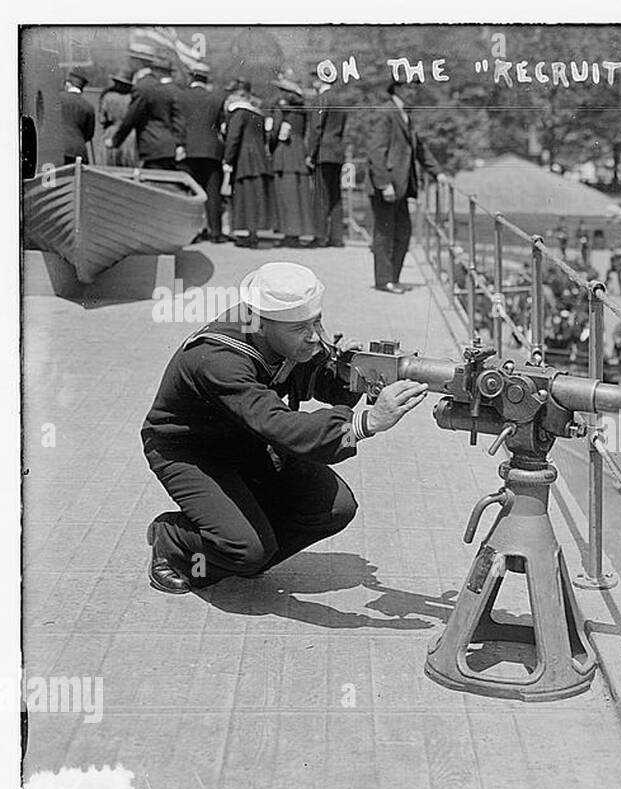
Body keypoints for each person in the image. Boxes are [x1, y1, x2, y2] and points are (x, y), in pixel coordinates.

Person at [141, 262, 429, 594]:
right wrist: (367, 423)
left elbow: (313, 382)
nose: (314, 336)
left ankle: (240, 547)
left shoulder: (279, 335)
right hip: (189, 452)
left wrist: (348, 373)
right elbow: (280, 424)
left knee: (334, 508)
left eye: (316, 321)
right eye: (300, 328)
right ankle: (174, 543)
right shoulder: (218, 359)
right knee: (245, 551)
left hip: (246, 440)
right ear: (261, 324)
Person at [367, 78, 434, 293]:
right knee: (385, 233)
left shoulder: (405, 114)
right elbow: (376, 151)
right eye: (409, 87)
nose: (413, 92)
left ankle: (392, 278)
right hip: (387, 185)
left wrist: (438, 173)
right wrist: (384, 183)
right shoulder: (385, 113)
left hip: (401, 187)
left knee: (403, 232)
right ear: (397, 88)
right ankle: (384, 280)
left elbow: (419, 149)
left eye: (415, 88)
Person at [106, 55, 185, 170]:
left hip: (152, 147)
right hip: (169, 148)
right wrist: (179, 144)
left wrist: (115, 140)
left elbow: (131, 117)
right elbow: (178, 120)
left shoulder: (143, 88)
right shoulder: (169, 91)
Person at [176, 64, 226, 242]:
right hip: (211, 150)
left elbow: (178, 123)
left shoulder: (181, 96)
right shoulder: (216, 98)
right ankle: (216, 232)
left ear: (191, 77)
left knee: (192, 192)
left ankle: (194, 232)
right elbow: (221, 125)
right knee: (213, 192)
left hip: (188, 150)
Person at [221, 81, 274, 247]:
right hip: (259, 160)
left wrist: (228, 159)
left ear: (241, 94)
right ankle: (253, 234)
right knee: (255, 198)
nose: (229, 97)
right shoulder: (257, 114)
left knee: (247, 198)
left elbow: (233, 138)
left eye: (232, 93)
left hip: (244, 161)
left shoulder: (239, 113)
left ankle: (250, 236)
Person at [269, 75, 314, 246]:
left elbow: (274, 131)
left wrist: (271, 145)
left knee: (285, 195)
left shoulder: (281, 109)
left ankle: (289, 234)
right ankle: (297, 232)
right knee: (298, 195)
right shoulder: (303, 110)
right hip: (299, 150)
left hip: (284, 152)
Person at [308, 76, 347, 247]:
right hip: (336, 152)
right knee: (335, 195)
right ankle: (337, 238)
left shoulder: (320, 99)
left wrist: (311, 153)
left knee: (321, 195)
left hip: (323, 152)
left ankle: (320, 237)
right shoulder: (340, 100)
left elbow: (316, 128)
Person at [98, 73, 137, 167]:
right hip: (130, 136)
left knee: (109, 168)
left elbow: (102, 119)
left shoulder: (107, 96)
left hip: (111, 134)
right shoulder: (134, 97)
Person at [57, 70, 95, 165]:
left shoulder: (55, 99)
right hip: (78, 152)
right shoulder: (88, 107)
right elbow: (89, 135)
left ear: (68, 84)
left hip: (54, 149)